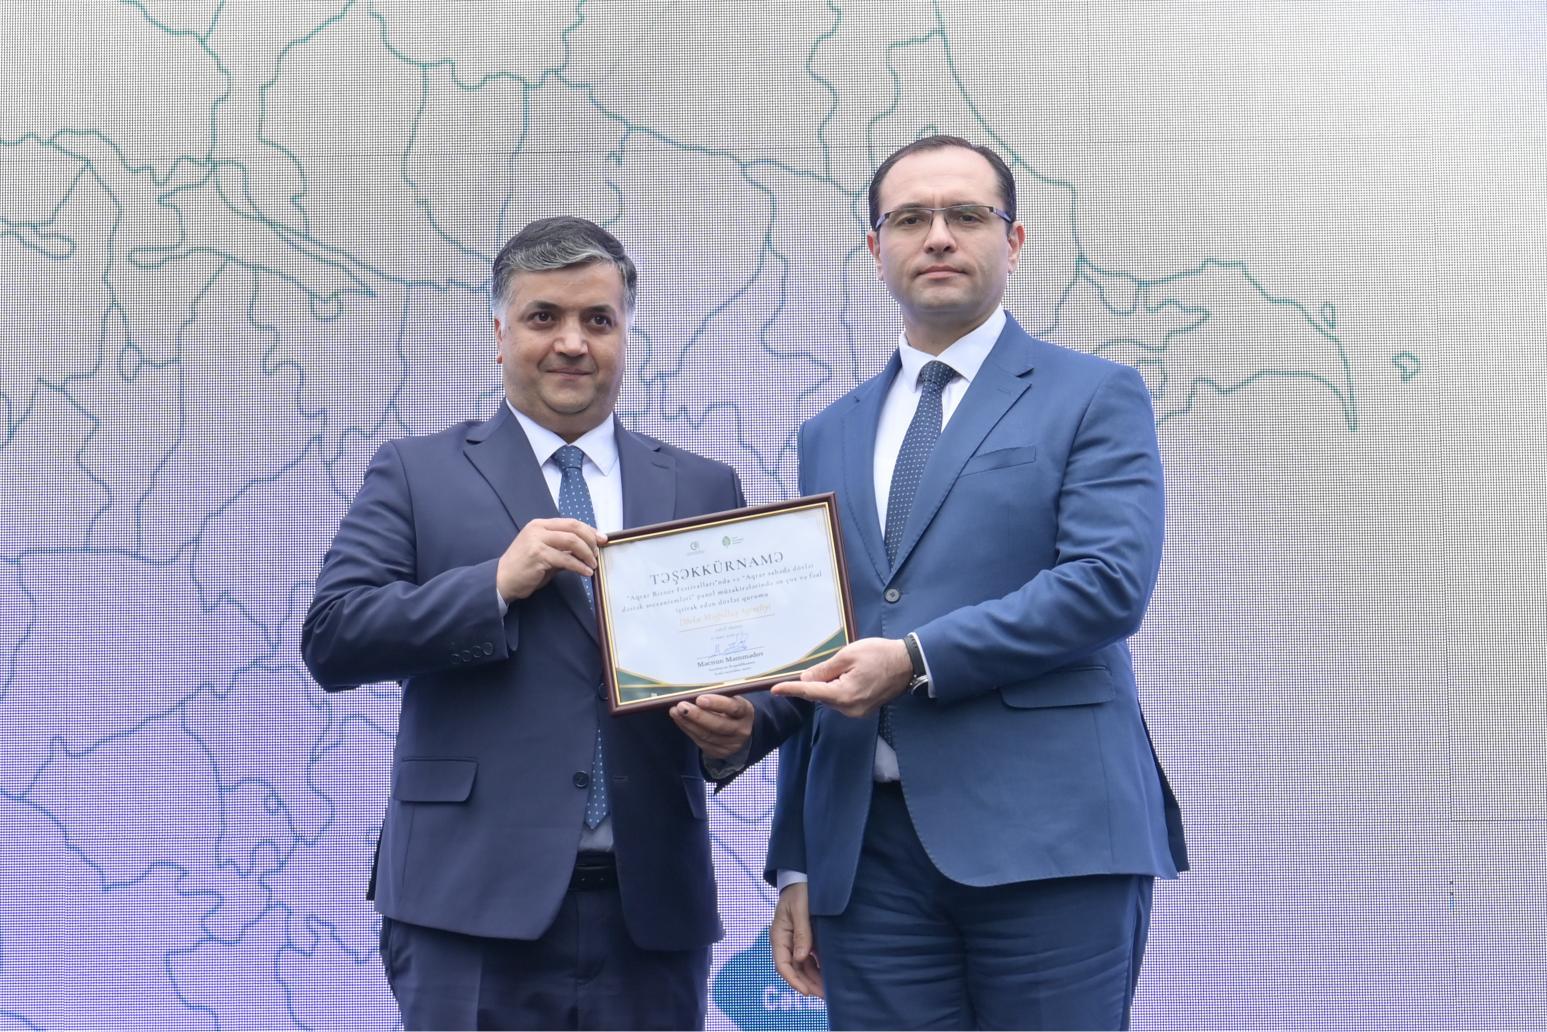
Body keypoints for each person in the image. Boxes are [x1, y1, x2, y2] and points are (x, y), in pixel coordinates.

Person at [302, 216, 796, 1030]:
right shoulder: (416, 472)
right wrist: (492, 585)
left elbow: (767, 672)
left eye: (597, 320)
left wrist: (743, 728)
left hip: (650, 916)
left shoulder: (702, 487)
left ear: (625, 336)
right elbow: (334, 637)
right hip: (464, 909)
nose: (572, 342)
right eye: (543, 317)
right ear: (500, 335)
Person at [765, 136, 1189, 1030]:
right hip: (864, 859)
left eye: (965, 214)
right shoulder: (827, 433)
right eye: (909, 219)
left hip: (1051, 840)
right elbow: (822, 637)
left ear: (1014, 240)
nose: (937, 236)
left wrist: (914, 659)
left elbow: (1107, 583)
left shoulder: (1093, 394)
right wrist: (797, 860)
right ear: (874, 247)